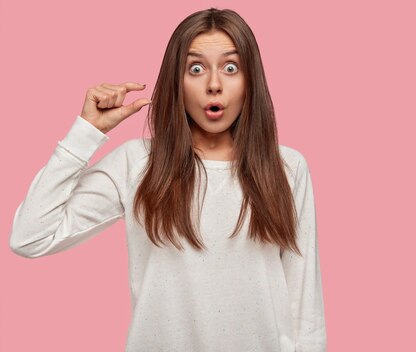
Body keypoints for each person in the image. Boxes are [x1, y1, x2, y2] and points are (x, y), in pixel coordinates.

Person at [8, 7, 327, 352]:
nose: (214, 85)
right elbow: (30, 237)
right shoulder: (138, 164)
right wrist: (86, 133)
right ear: (177, 81)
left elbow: (304, 306)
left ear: (251, 80)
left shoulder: (287, 167)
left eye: (231, 68)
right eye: (196, 68)